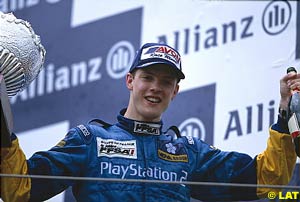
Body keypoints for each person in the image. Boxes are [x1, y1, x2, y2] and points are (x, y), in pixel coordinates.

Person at [1, 43, 298, 202]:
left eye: (166, 81)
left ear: (175, 91)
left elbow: (267, 178)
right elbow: (19, 190)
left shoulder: (189, 152)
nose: (156, 87)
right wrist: (3, 134)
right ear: (130, 80)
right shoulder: (89, 140)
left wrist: (285, 113)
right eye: (148, 78)